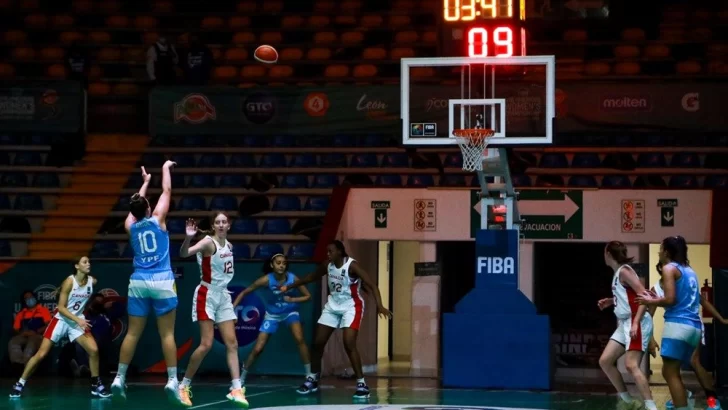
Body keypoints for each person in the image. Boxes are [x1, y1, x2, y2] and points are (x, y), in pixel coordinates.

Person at [111, 162, 184, 405]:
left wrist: (144, 182)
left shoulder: (130, 227)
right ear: (149, 208)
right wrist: (165, 168)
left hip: (139, 282)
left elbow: (135, 207)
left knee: (132, 333)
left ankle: (119, 378)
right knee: (167, 334)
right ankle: (172, 380)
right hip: (162, 281)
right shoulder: (158, 220)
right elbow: (167, 191)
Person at [280, 240, 392, 399]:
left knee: (349, 343)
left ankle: (362, 384)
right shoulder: (328, 265)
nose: (328, 254)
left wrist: (380, 305)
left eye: (330, 251)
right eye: (327, 251)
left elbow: (371, 284)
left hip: (351, 307)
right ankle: (312, 379)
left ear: (340, 251)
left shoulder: (352, 266)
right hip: (333, 306)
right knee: (317, 343)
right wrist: (289, 286)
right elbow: (312, 276)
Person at [9, 256, 111, 398]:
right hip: (61, 320)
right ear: (77, 266)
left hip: (76, 321)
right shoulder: (69, 282)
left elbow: (80, 293)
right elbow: (61, 308)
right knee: (41, 354)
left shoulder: (92, 281)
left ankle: (96, 384)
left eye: (89, 261)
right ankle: (20, 383)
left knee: (93, 350)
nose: (88, 264)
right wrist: (77, 318)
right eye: (85, 262)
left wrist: (78, 314)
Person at [177, 212, 247, 407]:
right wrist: (188, 238)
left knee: (232, 343)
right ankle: (183, 386)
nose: (222, 225)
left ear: (229, 225)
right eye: (218, 222)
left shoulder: (230, 246)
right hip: (206, 295)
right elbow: (184, 253)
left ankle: (236, 388)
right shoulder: (208, 243)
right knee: (206, 344)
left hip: (223, 295)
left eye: (224, 222)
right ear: (213, 226)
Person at [636, 236, 702, 410]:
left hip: (677, 326)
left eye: (660, 248)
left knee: (670, 373)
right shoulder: (690, 271)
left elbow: (670, 299)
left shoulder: (668, 268)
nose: (658, 251)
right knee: (671, 371)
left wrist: (651, 301)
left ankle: (681, 406)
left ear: (666, 251)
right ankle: (682, 400)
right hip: (694, 328)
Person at [648, 261, 724, 410]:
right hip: (681, 327)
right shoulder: (656, 289)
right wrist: (651, 338)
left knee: (691, 363)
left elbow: (702, 301)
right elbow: (649, 315)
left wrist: (720, 318)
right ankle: (685, 396)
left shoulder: (682, 283)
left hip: (688, 325)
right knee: (671, 370)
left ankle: (710, 401)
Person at [232, 254, 312, 388]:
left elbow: (307, 296)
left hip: (289, 312)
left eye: (284, 263)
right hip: (272, 315)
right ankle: (241, 378)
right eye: (278, 263)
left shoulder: (293, 279)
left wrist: (292, 300)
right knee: (258, 348)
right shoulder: (265, 280)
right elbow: (244, 292)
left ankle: (309, 375)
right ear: (272, 265)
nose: (281, 265)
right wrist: (232, 309)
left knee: (299, 339)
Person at [597, 241, 656, 410]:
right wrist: (611, 301)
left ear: (608, 253)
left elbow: (645, 296)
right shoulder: (618, 273)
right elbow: (627, 295)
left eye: (604, 252)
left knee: (631, 365)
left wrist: (636, 323)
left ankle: (651, 406)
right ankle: (629, 401)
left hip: (637, 321)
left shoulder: (624, 271)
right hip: (625, 323)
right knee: (605, 361)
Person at [8, 291, 51, 367]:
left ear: (35, 298)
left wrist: (36, 331)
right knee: (13, 341)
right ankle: (17, 364)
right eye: (26, 298)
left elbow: (48, 325)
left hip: (39, 336)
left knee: (32, 342)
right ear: (24, 301)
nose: (29, 299)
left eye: (31, 297)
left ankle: (25, 365)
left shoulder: (43, 310)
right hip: (25, 335)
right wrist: (22, 333)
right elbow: (16, 328)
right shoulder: (21, 313)